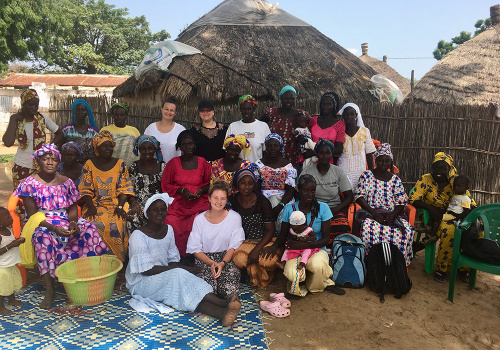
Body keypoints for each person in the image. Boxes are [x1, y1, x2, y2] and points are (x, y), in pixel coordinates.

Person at [14, 144, 108, 308]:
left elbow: (72, 207)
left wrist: (73, 222)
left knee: (89, 229)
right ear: (38, 161)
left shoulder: (67, 182)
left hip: (64, 218)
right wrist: (54, 228)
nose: (50, 162)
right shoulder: (29, 183)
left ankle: (83, 279)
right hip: (41, 221)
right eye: (45, 159)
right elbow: (33, 216)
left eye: (54, 159)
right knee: (42, 237)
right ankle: (50, 289)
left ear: (59, 162)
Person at [125, 193, 241, 326]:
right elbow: (146, 271)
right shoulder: (138, 236)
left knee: (182, 293)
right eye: (155, 210)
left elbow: (173, 261)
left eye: (163, 210)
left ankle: (222, 314)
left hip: (163, 276)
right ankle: (222, 302)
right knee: (178, 277)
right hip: (141, 282)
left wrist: (186, 270)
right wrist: (181, 269)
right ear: (147, 213)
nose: (160, 213)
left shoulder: (168, 230)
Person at [264, 174, 344, 297]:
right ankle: (301, 282)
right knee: (292, 273)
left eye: (313, 191)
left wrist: (306, 244)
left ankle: (314, 286)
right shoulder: (289, 209)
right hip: (294, 249)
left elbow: (326, 239)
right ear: (299, 190)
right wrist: (275, 246)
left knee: (318, 266)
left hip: (316, 247)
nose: (310, 194)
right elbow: (283, 234)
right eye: (306, 190)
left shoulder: (323, 208)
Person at [409, 152, 476, 283]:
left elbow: (471, 204)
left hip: (454, 215)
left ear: (448, 170)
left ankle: (464, 268)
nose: (438, 171)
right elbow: (413, 198)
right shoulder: (426, 179)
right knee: (449, 231)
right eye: (436, 168)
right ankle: (442, 269)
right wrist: (431, 208)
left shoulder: (455, 181)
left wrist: (458, 215)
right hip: (431, 217)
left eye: (443, 168)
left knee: (470, 230)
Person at [79, 131, 140, 262]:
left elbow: (124, 187)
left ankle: (117, 261)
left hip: (116, 203)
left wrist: (119, 205)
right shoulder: (89, 164)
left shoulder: (120, 164)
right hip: (95, 204)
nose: (108, 149)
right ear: (97, 148)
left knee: (118, 221)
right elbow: (85, 189)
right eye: (104, 146)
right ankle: (95, 260)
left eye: (110, 146)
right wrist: (90, 206)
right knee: (92, 222)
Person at [354, 143, 416, 266]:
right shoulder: (366, 176)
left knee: (407, 231)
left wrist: (392, 216)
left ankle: (397, 265)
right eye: (380, 160)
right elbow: (359, 196)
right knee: (369, 229)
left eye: (386, 161)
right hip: (370, 213)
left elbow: (401, 202)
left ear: (390, 163)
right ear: (375, 160)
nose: (383, 163)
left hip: (392, 215)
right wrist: (374, 214)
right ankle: (371, 264)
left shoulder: (395, 180)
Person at [186, 180, 245, 298]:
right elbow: (195, 249)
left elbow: (233, 246)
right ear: (209, 198)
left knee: (229, 292)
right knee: (206, 292)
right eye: (215, 198)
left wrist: (222, 263)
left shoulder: (234, 217)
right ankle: (219, 307)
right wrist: (211, 263)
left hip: (226, 259)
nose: (219, 202)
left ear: (227, 200)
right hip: (205, 259)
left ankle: (228, 305)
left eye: (223, 198)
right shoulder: (199, 219)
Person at [161, 131, 211, 257]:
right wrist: (181, 190)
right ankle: (178, 256)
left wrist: (201, 191)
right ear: (179, 147)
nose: (188, 147)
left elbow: (210, 183)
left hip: (199, 203)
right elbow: (166, 185)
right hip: (179, 203)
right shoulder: (173, 163)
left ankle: (196, 256)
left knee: (198, 221)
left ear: (195, 145)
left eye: (191, 144)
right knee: (171, 221)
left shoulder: (203, 162)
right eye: (184, 144)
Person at [230, 168, 281, 288]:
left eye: (250, 183)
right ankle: (259, 277)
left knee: (267, 260)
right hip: (245, 241)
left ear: (254, 185)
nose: (246, 187)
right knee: (239, 259)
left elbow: (270, 230)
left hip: (266, 240)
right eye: (243, 183)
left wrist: (256, 250)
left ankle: (259, 279)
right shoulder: (233, 200)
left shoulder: (262, 202)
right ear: (237, 184)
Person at [3, 89, 63, 188]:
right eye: (31, 105)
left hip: (41, 168)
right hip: (21, 166)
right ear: (23, 104)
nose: (34, 107)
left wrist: (49, 147)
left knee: (38, 199)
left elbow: (60, 134)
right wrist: (13, 119)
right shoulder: (17, 120)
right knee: (21, 197)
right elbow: (8, 143)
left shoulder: (42, 119)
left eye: (36, 105)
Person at [300, 139, 353, 242]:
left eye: (328, 153)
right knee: (304, 228)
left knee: (342, 229)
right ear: (317, 154)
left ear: (332, 154)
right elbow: (300, 193)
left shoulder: (338, 172)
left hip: (333, 210)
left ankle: (334, 250)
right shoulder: (308, 170)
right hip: (312, 209)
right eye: (321, 153)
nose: (324, 156)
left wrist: (336, 209)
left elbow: (349, 196)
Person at [261, 85, 310, 167]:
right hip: (273, 157)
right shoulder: (272, 112)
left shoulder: (301, 114)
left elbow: (314, 124)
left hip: (294, 157)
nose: (289, 101)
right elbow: (258, 123)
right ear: (281, 98)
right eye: (286, 98)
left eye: (292, 99)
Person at [127, 135, 165, 233]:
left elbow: (167, 190)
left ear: (154, 149)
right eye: (143, 149)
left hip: (158, 205)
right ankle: (136, 246)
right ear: (139, 150)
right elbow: (129, 189)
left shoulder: (163, 167)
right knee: (132, 218)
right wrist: (134, 204)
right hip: (139, 205)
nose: (147, 152)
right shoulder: (133, 167)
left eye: (150, 148)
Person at [423, 175, 473, 245]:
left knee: (438, 218)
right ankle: (428, 226)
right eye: (455, 185)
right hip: (449, 212)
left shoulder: (465, 199)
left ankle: (432, 235)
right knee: (435, 211)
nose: (456, 188)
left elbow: (466, 212)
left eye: (459, 186)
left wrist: (456, 218)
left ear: (466, 188)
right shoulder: (456, 195)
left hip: (453, 216)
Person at [255, 134, 297, 218]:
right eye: (269, 145)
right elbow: (256, 189)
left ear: (280, 147)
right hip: (264, 199)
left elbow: (290, 190)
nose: (273, 148)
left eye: (276, 145)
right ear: (266, 147)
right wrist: (265, 204)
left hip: (284, 201)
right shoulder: (258, 165)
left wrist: (280, 206)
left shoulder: (288, 166)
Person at [337, 103, 376, 188]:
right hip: (343, 170)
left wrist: (371, 175)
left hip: (360, 172)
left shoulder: (365, 131)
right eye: (346, 114)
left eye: (352, 114)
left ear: (356, 115)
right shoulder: (339, 132)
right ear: (343, 116)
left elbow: (369, 154)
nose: (349, 116)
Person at [226, 95, 270, 163]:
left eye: (249, 109)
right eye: (244, 109)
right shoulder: (233, 126)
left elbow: (266, 152)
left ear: (254, 110)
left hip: (257, 170)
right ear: (240, 110)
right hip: (237, 170)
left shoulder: (263, 126)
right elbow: (227, 151)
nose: (246, 112)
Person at [0, 207, 25, 315]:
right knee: (3, 288)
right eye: (7, 217)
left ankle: (11, 299)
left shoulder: (8, 229)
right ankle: (1, 308)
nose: (11, 218)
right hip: (3, 268)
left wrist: (17, 241)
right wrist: (11, 245)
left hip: (10, 264)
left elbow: (10, 241)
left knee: (11, 283)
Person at [144, 100, 186, 164]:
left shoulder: (180, 130)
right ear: (161, 109)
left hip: (174, 168)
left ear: (175, 113)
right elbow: (144, 147)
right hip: (153, 169)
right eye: (166, 109)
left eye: (171, 110)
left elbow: (184, 151)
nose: (168, 112)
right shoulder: (151, 128)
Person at [309, 92, 345, 164]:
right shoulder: (313, 120)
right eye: (323, 104)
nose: (325, 107)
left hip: (328, 163)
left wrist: (318, 154)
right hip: (310, 161)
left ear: (334, 106)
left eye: (329, 104)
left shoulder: (340, 125)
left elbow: (339, 148)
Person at [60, 99, 99, 164]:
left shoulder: (93, 131)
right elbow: (60, 148)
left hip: (89, 166)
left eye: (83, 110)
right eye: (77, 110)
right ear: (74, 112)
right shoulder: (66, 129)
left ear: (87, 112)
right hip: (70, 166)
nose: (80, 112)